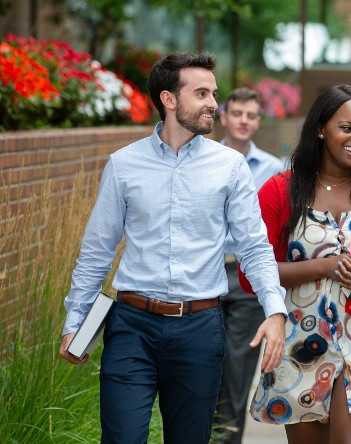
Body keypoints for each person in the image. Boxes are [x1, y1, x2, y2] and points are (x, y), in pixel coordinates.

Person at [58, 53, 287, 444]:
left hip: (199, 328)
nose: (214, 103)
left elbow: (254, 246)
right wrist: (75, 321)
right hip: (132, 326)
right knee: (123, 437)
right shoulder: (123, 164)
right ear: (169, 99)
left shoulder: (230, 167)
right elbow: (97, 249)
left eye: (214, 93)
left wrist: (275, 310)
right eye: (202, 93)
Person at [239, 84, 351, 444]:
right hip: (301, 340)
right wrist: (323, 267)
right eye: (348, 128)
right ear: (321, 129)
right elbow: (251, 274)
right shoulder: (281, 190)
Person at [214, 87, 285, 444]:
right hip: (205, 277)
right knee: (199, 369)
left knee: (236, 372)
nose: (243, 121)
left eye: (251, 115)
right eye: (237, 113)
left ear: (258, 122)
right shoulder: (202, 160)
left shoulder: (274, 171)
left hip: (245, 280)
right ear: (223, 116)